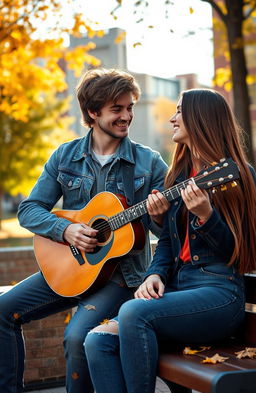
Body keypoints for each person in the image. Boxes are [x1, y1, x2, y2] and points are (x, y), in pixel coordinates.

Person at [0, 68, 170, 393]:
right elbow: (29, 210)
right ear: (93, 112)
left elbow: (169, 237)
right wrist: (66, 231)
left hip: (122, 277)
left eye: (130, 107)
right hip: (70, 268)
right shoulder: (65, 156)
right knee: (3, 312)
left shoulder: (150, 164)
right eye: (117, 109)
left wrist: (160, 218)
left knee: (77, 337)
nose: (127, 116)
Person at [84, 88, 256, 393]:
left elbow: (241, 253)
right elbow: (166, 244)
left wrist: (207, 217)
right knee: (97, 341)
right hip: (178, 291)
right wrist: (154, 273)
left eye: (179, 111)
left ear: (200, 118)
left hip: (218, 294)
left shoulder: (235, 175)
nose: (172, 118)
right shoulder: (178, 177)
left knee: (134, 312)